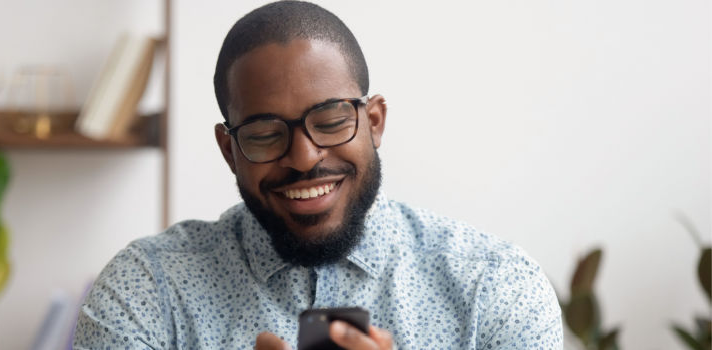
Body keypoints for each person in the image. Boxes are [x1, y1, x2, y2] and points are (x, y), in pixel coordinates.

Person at [73, 1, 563, 349]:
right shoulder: (148, 290)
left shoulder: (496, 288)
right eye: (265, 133)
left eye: (330, 121)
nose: (305, 157)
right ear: (229, 149)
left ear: (374, 122)